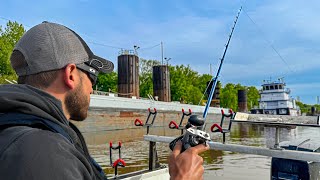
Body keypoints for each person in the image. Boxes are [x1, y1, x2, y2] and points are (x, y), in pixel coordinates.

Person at [0, 21, 208, 180]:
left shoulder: (19, 133)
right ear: (71, 74)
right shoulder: (43, 154)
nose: (92, 87)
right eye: (92, 76)